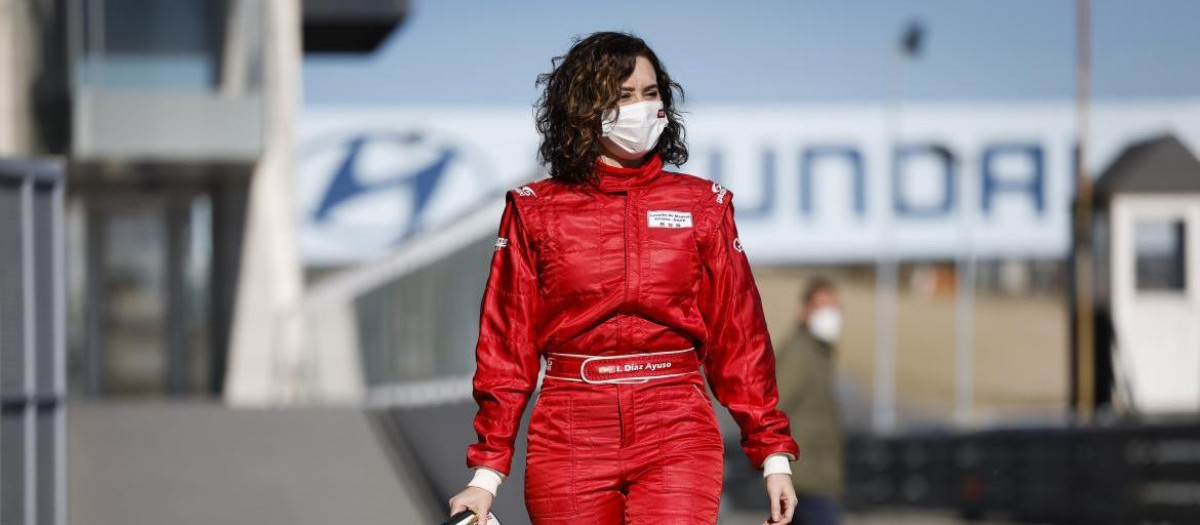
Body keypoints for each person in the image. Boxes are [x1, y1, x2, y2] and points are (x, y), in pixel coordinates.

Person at [448, 31, 800, 525]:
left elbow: (739, 336)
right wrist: (485, 475)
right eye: (622, 95)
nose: (640, 107)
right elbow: (507, 346)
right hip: (570, 429)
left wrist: (772, 455)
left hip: (677, 425)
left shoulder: (704, 206)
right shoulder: (534, 211)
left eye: (650, 93)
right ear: (584, 107)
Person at [774, 277, 846, 525]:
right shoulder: (798, 353)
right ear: (804, 311)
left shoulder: (820, 352)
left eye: (834, 308)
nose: (830, 315)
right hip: (804, 476)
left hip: (819, 474)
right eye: (822, 307)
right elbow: (774, 405)